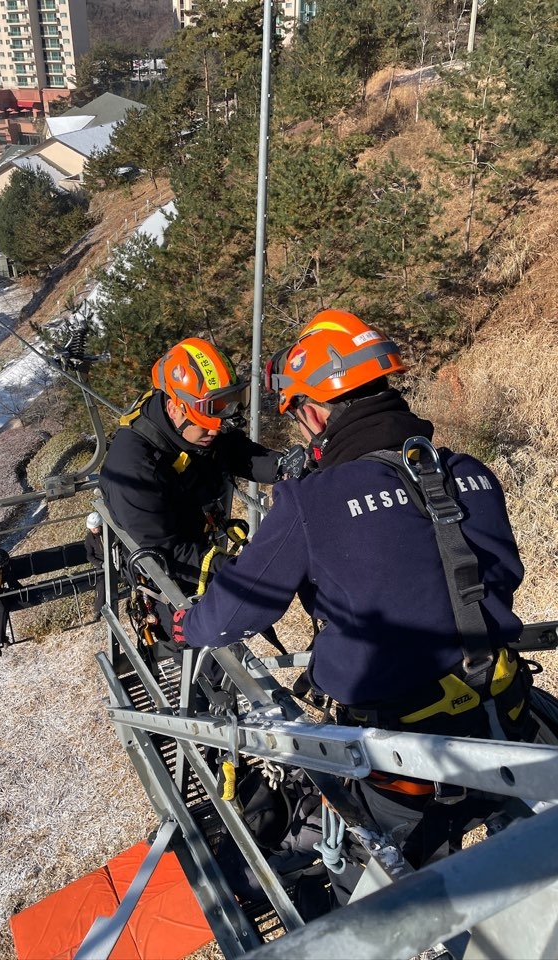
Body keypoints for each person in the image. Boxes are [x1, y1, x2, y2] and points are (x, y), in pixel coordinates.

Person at [172, 308, 536, 906]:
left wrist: (192, 625)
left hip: (402, 761)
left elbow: (243, 607)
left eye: (296, 413)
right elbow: (503, 574)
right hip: (507, 720)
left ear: (315, 410)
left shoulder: (312, 501)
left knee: (364, 893)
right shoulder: (469, 473)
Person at [99, 336, 296, 661]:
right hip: (167, 567)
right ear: (175, 406)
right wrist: (228, 565)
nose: (215, 432)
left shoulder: (198, 416)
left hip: (198, 534)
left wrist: (282, 467)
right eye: (207, 427)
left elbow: (234, 450)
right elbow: (165, 550)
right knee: (201, 657)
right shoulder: (132, 470)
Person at [84, 511, 106, 623]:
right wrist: (100, 564)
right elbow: (89, 555)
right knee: (101, 583)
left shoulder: (107, 533)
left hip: (113, 558)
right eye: (92, 528)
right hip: (101, 563)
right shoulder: (89, 539)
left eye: (96, 528)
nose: (94, 530)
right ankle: (98, 610)